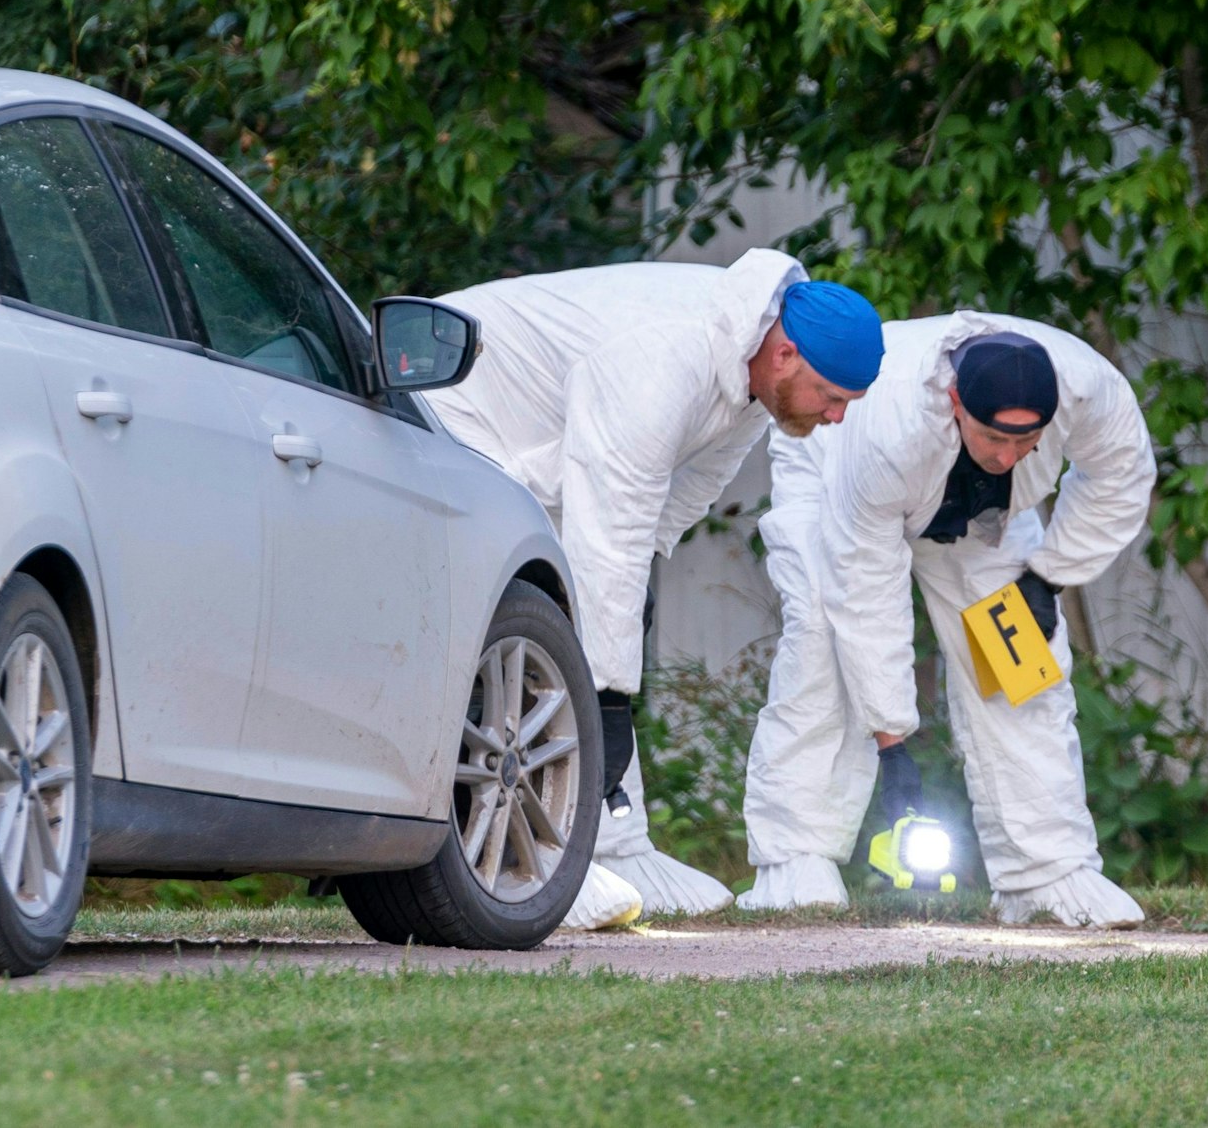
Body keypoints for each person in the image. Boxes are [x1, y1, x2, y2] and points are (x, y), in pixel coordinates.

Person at [427, 250, 884, 928]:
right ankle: (538, 861)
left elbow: (680, 495)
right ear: (786, 354)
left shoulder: (751, 384)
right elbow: (610, 536)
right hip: (454, 412)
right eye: (834, 398)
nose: (837, 418)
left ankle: (618, 846)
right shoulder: (663, 358)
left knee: (603, 617)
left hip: (548, 453)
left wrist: (628, 604)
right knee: (539, 628)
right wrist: (606, 697)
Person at [739, 313, 1155, 927]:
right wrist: (893, 745)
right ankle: (794, 862)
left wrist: (1049, 574)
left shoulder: (1091, 391)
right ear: (957, 401)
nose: (1008, 454)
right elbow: (866, 587)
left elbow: (1123, 477)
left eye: (1027, 442)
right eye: (995, 438)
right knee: (824, 645)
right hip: (835, 476)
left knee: (1023, 674)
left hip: (986, 521)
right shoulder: (889, 427)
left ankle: (1045, 872)